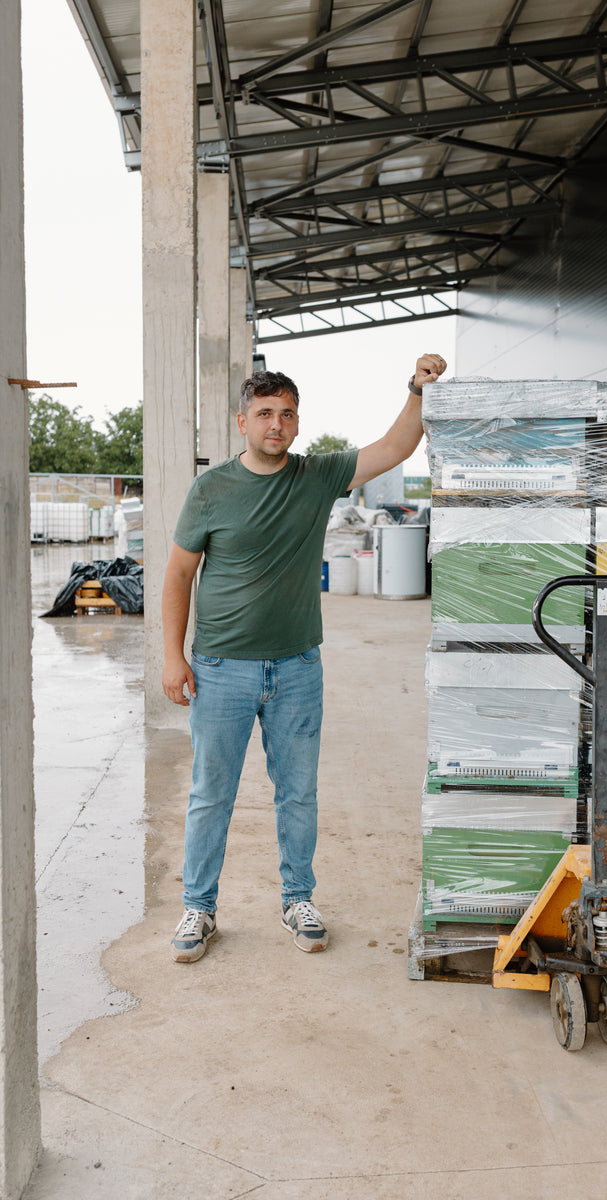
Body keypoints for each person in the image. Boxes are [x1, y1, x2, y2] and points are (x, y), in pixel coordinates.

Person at [162, 352, 447, 962]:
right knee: (212, 794)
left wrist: (417, 390)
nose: (277, 424)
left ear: (297, 422)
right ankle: (199, 907)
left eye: (287, 414)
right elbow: (179, 574)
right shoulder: (211, 489)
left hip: (296, 668)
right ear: (243, 421)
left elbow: (396, 447)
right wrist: (172, 656)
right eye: (265, 413)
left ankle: (298, 899)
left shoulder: (316, 476)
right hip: (221, 669)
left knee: (297, 793)